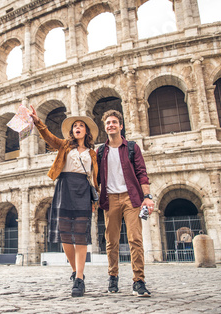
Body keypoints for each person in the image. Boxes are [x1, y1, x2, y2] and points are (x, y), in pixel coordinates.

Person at [30, 106, 99, 297]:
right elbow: (49, 138)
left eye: (81, 125)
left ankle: (79, 278)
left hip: (83, 190)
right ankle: (74, 269)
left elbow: (95, 177)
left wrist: (95, 200)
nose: (77, 127)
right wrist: (38, 122)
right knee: (65, 235)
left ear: (87, 131)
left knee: (81, 235)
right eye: (75, 125)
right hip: (64, 187)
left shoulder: (93, 153)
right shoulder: (64, 146)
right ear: (72, 131)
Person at [97, 110, 155, 297]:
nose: (111, 125)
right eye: (108, 123)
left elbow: (141, 172)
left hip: (131, 197)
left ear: (121, 126)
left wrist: (148, 197)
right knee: (111, 241)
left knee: (135, 239)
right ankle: (113, 277)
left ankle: (139, 281)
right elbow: (96, 177)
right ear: (105, 127)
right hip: (110, 198)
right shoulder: (100, 151)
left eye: (114, 122)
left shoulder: (131, 147)